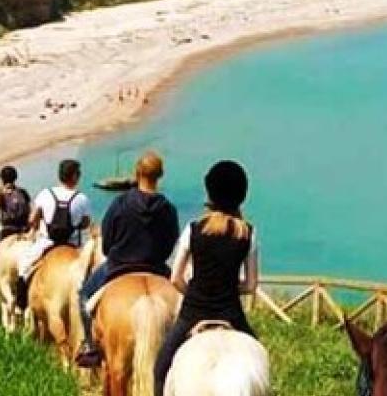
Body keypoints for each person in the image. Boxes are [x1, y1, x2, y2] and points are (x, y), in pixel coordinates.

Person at [151, 160, 260, 393]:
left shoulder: (193, 229)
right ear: (242, 195)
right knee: (260, 356)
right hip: (232, 313)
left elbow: (175, 278)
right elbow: (250, 285)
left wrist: (196, 291)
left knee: (160, 368)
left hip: (193, 312)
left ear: (210, 193)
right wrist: (230, 288)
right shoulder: (248, 233)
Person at [75, 151, 180, 368]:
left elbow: (106, 244)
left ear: (137, 172)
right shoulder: (168, 208)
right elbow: (171, 242)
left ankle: (90, 346)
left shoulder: (120, 204)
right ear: (160, 175)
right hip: (157, 268)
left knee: (84, 297)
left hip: (119, 266)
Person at [14, 159, 94, 311]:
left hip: (47, 242)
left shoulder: (46, 194)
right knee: (90, 273)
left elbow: (32, 219)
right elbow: (85, 223)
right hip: (73, 245)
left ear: (60, 176)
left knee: (24, 267)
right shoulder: (82, 198)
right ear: (75, 177)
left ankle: (21, 304)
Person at [0, 166, 33, 263]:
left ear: (2, 179)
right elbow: (29, 210)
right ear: (15, 178)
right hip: (25, 229)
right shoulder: (23, 192)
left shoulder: (0, 195)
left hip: (8, 230)